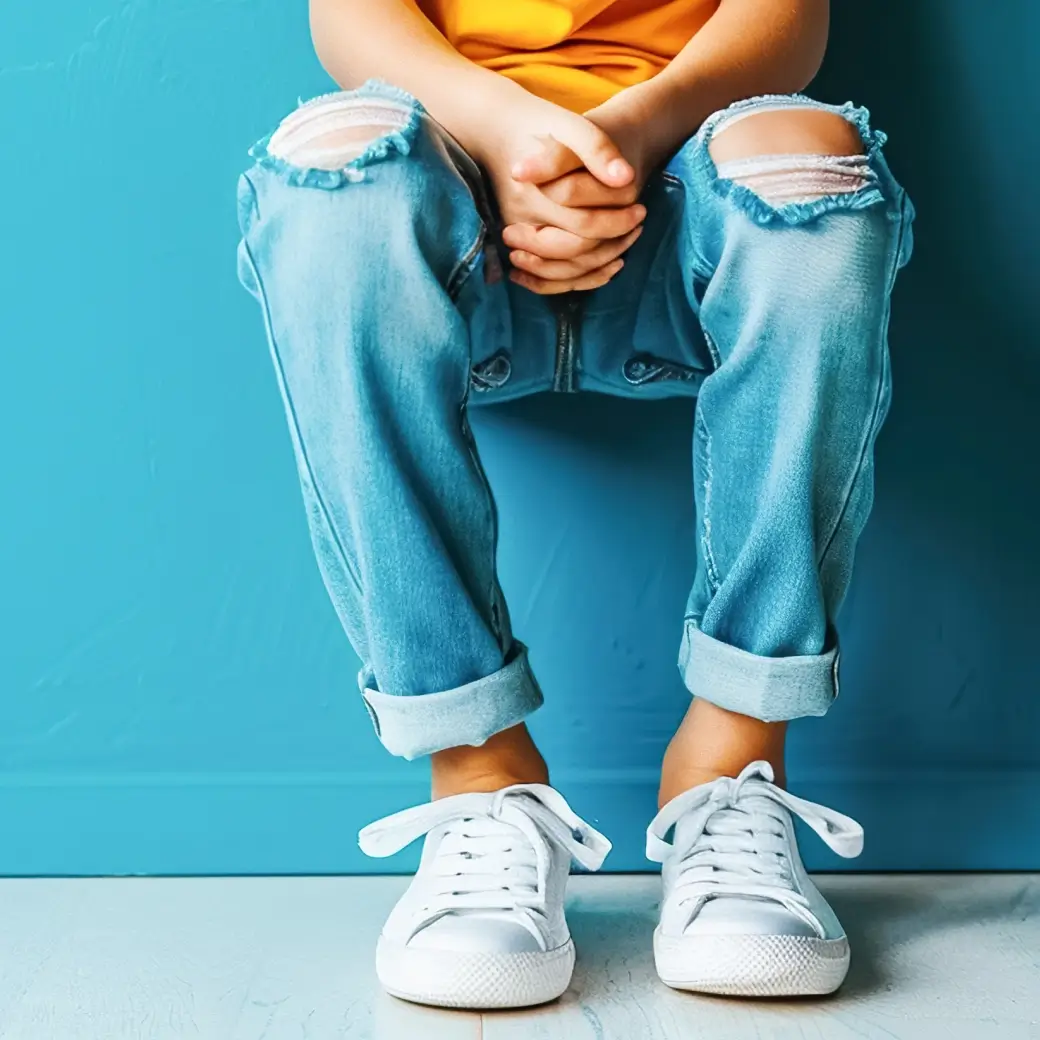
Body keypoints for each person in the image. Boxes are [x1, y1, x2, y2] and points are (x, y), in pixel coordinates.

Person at [235, 0, 914, 1010]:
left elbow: (789, 19)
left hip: (686, 187)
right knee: (328, 176)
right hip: (454, 204)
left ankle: (730, 763)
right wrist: (507, 134)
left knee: (810, 169)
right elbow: (351, 19)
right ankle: (477, 776)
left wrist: (633, 134)